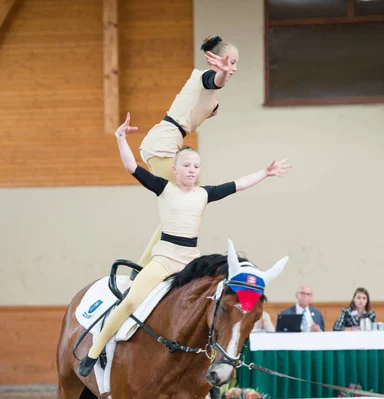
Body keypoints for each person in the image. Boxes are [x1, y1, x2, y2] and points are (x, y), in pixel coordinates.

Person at [78, 113, 291, 376]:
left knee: (211, 309)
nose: (191, 170)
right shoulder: (164, 189)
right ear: (175, 169)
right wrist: (121, 138)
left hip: (191, 260)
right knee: (131, 302)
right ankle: (93, 352)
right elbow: (132, 167)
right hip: (164, 259)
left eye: (195, 166)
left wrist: (265, 173)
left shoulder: (204, 194)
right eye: (186, 166)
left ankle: (213, 366)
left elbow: (237, 185)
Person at [136, 34, 239, 268]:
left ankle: (148, 264)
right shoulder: (204, 77)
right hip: (164, 139)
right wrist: (221, 71)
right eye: (230, 62)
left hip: (168, 141)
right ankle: (146, 266)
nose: (233, 68)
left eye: (234, 64)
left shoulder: (211, 97)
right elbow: (216, 80)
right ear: (216, 61)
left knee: (178, 208)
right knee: (180, 207)